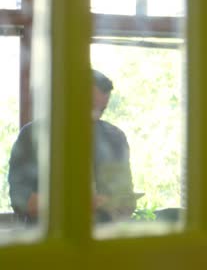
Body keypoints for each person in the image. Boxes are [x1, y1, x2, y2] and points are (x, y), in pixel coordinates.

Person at [8, 70, 136, 223]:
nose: (94, 116)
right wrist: (84, 202)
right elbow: (21, 202)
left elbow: (127, 199)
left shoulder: (114, 137)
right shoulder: (32, 136)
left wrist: (121, 204)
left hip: (103, 239)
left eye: (101, 110)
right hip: (51, 240)